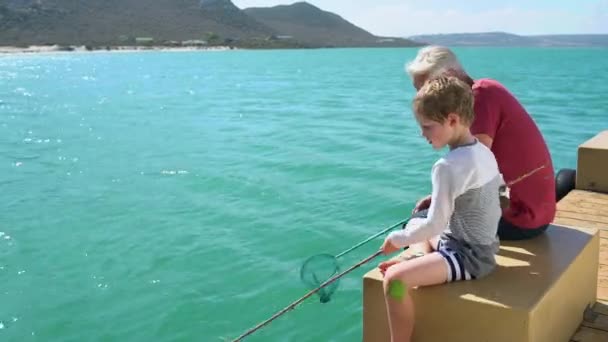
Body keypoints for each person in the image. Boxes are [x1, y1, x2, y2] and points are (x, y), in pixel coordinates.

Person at [378, 76, 502, 342]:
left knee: (395, 282)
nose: (422, 134)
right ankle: (416, 258)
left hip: (470, 258)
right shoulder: (484, 152)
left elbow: (434, 224)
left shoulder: (447, 166)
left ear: (453, 120)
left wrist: (396, 241)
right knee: (416, 225)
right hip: (481, 245)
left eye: (427, 127)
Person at [405, 45, 556, 241]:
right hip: (536, 213)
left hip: (519, 218)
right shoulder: (483, 91)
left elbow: (472, 171)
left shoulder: (480, 98)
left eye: (428, 88)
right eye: (419, 91)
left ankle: (428, 263)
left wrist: (440, 199)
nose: (423, 98)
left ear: (450, 77)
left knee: (417, 223)